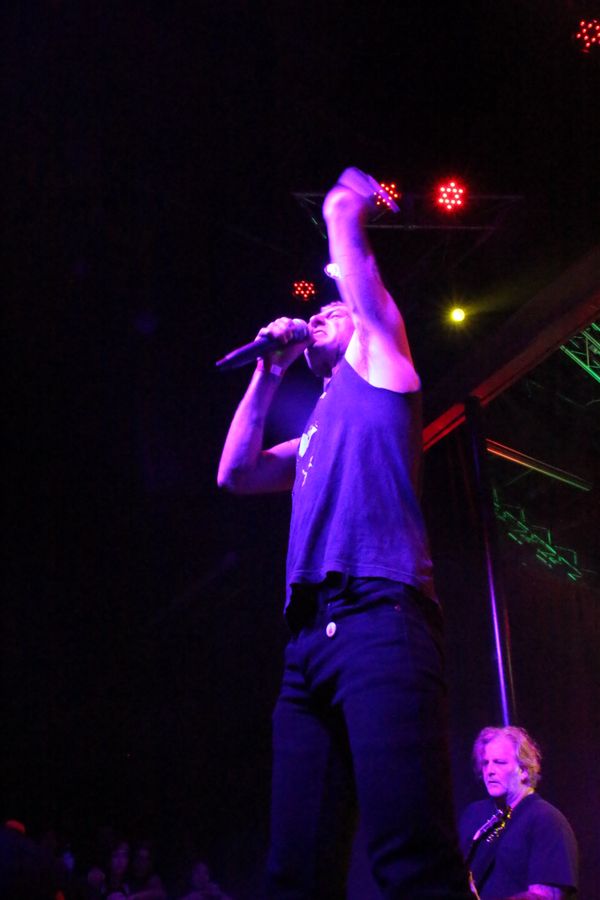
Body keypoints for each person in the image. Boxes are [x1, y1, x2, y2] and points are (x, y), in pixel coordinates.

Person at [218, 167, 470, 899]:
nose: (323, 315)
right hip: (306, 647)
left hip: (380, 620)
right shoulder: (315, 427)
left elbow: (350, 255)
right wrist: (269, 371)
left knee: (410, 857)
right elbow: (235, 474)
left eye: (336, 310)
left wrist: (342, 206)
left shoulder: (384, 369)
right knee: (293, 872)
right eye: (318, 312)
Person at [459, 726, 578, 899]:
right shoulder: (474, 814)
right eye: (485, 763)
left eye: (499, 762)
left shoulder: (546, 820)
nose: (489, 771)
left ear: (523, 770)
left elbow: (544, 897)